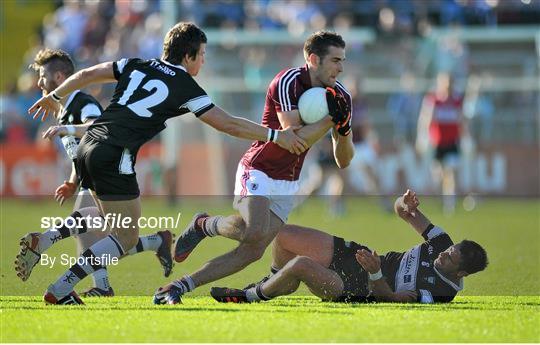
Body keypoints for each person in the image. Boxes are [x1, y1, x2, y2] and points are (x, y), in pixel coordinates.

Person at [24, 22, 307, 305]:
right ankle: (60, 289)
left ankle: (74, 254)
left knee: (110, 224)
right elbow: (228, 124)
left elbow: (87, 73)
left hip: (88, 145)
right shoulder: (186, 86)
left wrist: (55, 95)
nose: (204, 60)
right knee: (124, 236)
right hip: (116, 153)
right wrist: (275, 135)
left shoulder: (136, 64)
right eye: (202, 54)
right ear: (188, 56)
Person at [154, 30, 354, 305]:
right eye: (335, 60)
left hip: (288, 182)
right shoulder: (288, 82)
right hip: (259, 167)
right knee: (253, 230)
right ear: (312, 59)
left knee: (252, 251)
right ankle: (205, 224)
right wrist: (331, 119)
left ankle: (180, 286)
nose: (340, 68)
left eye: (342, 60)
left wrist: (342, 128)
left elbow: (343, 160)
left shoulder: (340, 96)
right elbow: (292, 140)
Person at [15, 48, 175, 297]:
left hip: (107, 173)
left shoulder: (81, 102)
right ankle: (146, 249)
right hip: (91, 176)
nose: (39, 82)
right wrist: (71, 180)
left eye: (44, 75)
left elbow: (96, 128)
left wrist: (65, 128)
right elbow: (79, 150)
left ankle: (54, 251)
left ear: (59, 77)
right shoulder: (64, 108)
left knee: (99, 235)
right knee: (105, 238)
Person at [210, 189, 488, 304]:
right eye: (449, 250)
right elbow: (403, 213)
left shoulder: (442, 293)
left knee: (301, 265)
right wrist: (404, 205)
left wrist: (377, 274)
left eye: (450, 258)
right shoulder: (441, 241)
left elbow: (389, 299)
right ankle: (276, 281)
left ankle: (251, 296)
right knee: (284, 235)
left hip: (361, 288)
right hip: (363, 257)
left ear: (460, 274)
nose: (443, 253)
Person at [416, 72, 469, 214]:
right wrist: (422, 138)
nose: (448, 86)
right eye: (445, 83)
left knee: (450, 172)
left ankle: (449, 204)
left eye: (450, 83)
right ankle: (442, 200)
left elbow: (462, 120)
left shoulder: (457, 101)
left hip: (452, 143)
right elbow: (425, 119)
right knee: (438, 177)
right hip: (437, 144)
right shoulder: (433, 100)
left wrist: (467, 139)